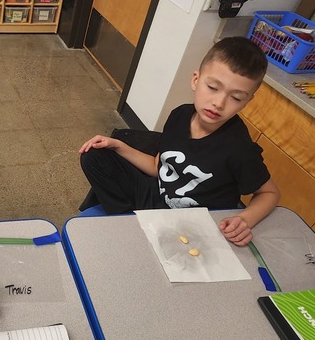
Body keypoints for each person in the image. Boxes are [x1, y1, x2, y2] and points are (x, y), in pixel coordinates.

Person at [78, 37, 280, 246]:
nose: (219, 103)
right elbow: (158, 166)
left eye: (236, 98)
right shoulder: (179, 115)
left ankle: (136, 226)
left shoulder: (239, 148)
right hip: (158, 197)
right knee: (94, 155)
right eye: (212, 87)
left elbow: (270, 193)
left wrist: (244, 220)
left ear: (247, 101)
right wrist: (119, 146)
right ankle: (128, 221)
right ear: (196, 80)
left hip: (194, 224)